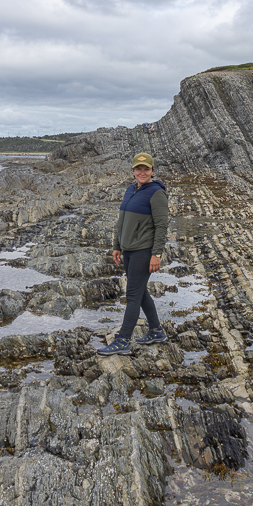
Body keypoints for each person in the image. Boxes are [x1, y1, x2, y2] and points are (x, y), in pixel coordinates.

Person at [98, 152, 168, 356]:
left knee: (132, 295)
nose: (142, 172)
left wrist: (156, 254)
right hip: (128, 250)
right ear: (134, 170)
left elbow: (162, 226)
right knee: (140, 291)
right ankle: (156, 331)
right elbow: (122, 221)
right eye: (139, 169)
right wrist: (117, 245)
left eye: (146, 169)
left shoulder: (157, 193)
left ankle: (122, 341)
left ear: (152, 170)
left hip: (143, 251)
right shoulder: (130, 190)